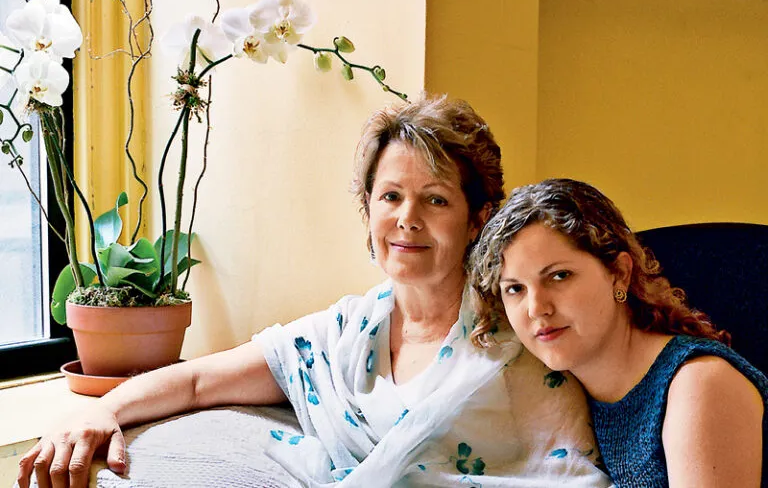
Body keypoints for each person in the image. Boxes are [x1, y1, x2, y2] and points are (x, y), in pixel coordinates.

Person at [18, 99, 611, 488]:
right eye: (389, 197)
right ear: (368, 210)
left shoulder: (521, 341)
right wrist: (99, 409)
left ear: (477, 218)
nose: (407, 219)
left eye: (435, 200)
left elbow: (569, 474)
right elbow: (201, 379)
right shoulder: (346, 334)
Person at [469, 177, 768, 488]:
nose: (536, 308)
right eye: (515, 288)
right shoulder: (560, 393)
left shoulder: (698, 386)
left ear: (620, 274)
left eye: (559, 276)